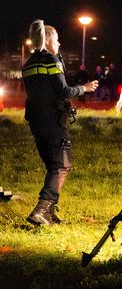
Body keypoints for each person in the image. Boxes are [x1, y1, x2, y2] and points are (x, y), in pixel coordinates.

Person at [22, 20, 98, 225]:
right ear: (47, 40)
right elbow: (63, 91)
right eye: (57, 40)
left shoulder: (28, 63)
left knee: (52, 166)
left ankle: (50, 213)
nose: (59, 44)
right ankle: (42, 209)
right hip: (54, 120)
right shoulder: (51, 61)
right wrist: (85, 88)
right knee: (62, 165)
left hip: (36, 120)